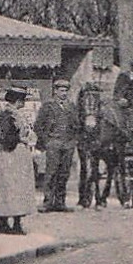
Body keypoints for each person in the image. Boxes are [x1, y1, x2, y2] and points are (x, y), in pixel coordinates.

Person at [0, 89, 36, 235]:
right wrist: (22, 138)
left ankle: (14, 221)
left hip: (17, 155)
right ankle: (8, 222)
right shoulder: (8, 115)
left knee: (16, 187)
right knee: (11, 187)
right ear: (17, 101)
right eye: (22, 100)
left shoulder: (14, 114)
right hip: (11, 155)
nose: (23, 103)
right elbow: (7, 138)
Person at [34, 78, 82, 212]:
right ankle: (48, 202)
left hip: (68, 145)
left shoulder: (71, 107)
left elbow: (77, 125)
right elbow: (38, 125)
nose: (64, 93)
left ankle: (60, 202)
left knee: (64, 174)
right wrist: (47, 141)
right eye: (61, 91)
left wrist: (74, 139)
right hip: (53, 143)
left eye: (66, 91)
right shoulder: (47, 106)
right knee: (51, 173)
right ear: (55, 91)